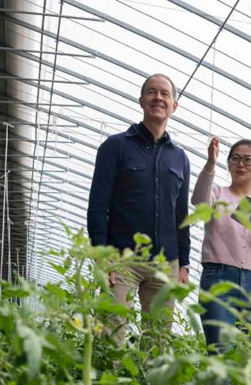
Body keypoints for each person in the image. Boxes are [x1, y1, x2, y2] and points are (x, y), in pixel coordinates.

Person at [87, 73, 191, 347]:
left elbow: (182, 214)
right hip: (121, 258)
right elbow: (98, 204)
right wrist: (101, 255)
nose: (158, 98)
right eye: (152, 92)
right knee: (111, 335)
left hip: (164, 263)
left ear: (174, 105)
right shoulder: (115, 147)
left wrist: (183, 263)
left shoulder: (180, 158)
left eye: (165, 93)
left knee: (158, 342)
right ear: (141, 100)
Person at [192, 136, 251, 352]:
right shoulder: (219, 193)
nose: (241, 164)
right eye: (235, 159)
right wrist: (211, 162)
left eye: (248, 160)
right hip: (218, 277)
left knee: (249, 353)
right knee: (220, 350)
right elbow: (199, 201)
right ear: (228, 164)